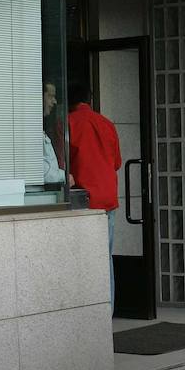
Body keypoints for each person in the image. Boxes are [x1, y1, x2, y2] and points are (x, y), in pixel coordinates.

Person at [67, 81, 122, 310]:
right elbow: (117, 163)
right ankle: (107, 311)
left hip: (84, 200)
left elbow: (64, 164)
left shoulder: (68, 122)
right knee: (105, 257)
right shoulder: (106, 123)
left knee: (83, 261)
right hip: (107, 198)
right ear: (89, 99)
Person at [42, 82, 65, 186]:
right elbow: (44, 173)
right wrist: (64, 176)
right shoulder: (29, 131)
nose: (54, 101)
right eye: (50, 96)